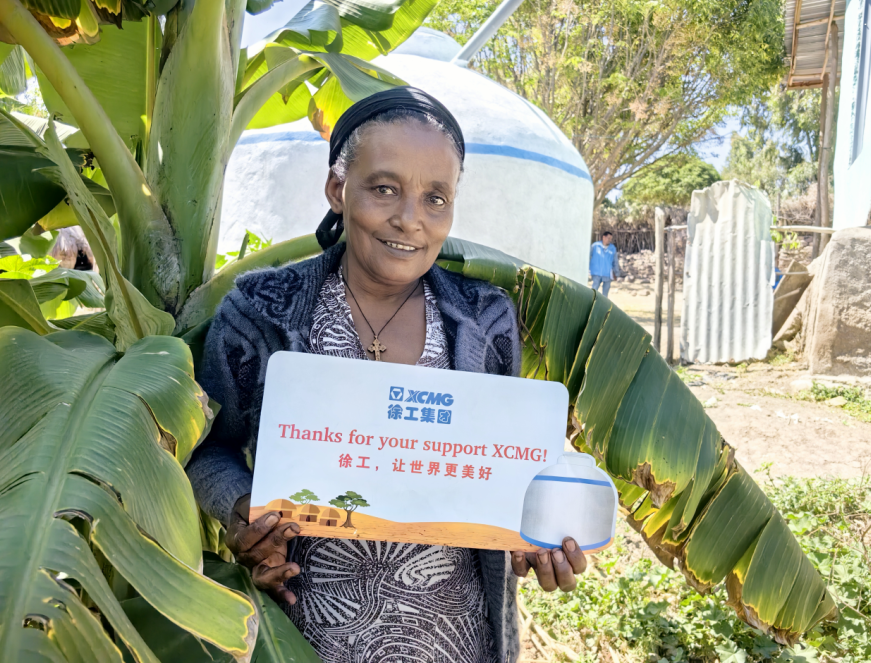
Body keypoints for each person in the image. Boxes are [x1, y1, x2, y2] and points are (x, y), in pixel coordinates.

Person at [186, 87, 589, 663]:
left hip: (458, 639)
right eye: (383, 188)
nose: (410, 220)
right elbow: (206, 449)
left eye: (436, 198)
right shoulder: (260, 311)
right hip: (308, 635)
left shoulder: (485, 318)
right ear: (337, 189)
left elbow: (503, 471)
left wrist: (534, 539)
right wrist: (242, 508)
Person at [589, 231, 621, 296]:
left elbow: (615, 261)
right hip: (596, 273)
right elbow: (588, 256)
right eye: (608, 238)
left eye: (611, 239)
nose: (610, 240)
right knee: (593, 291)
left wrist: (617, 273)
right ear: (603, 237)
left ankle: (604, 306)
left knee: (605, 294)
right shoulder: (595, 246)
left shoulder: (612, 248)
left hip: (607, 274)